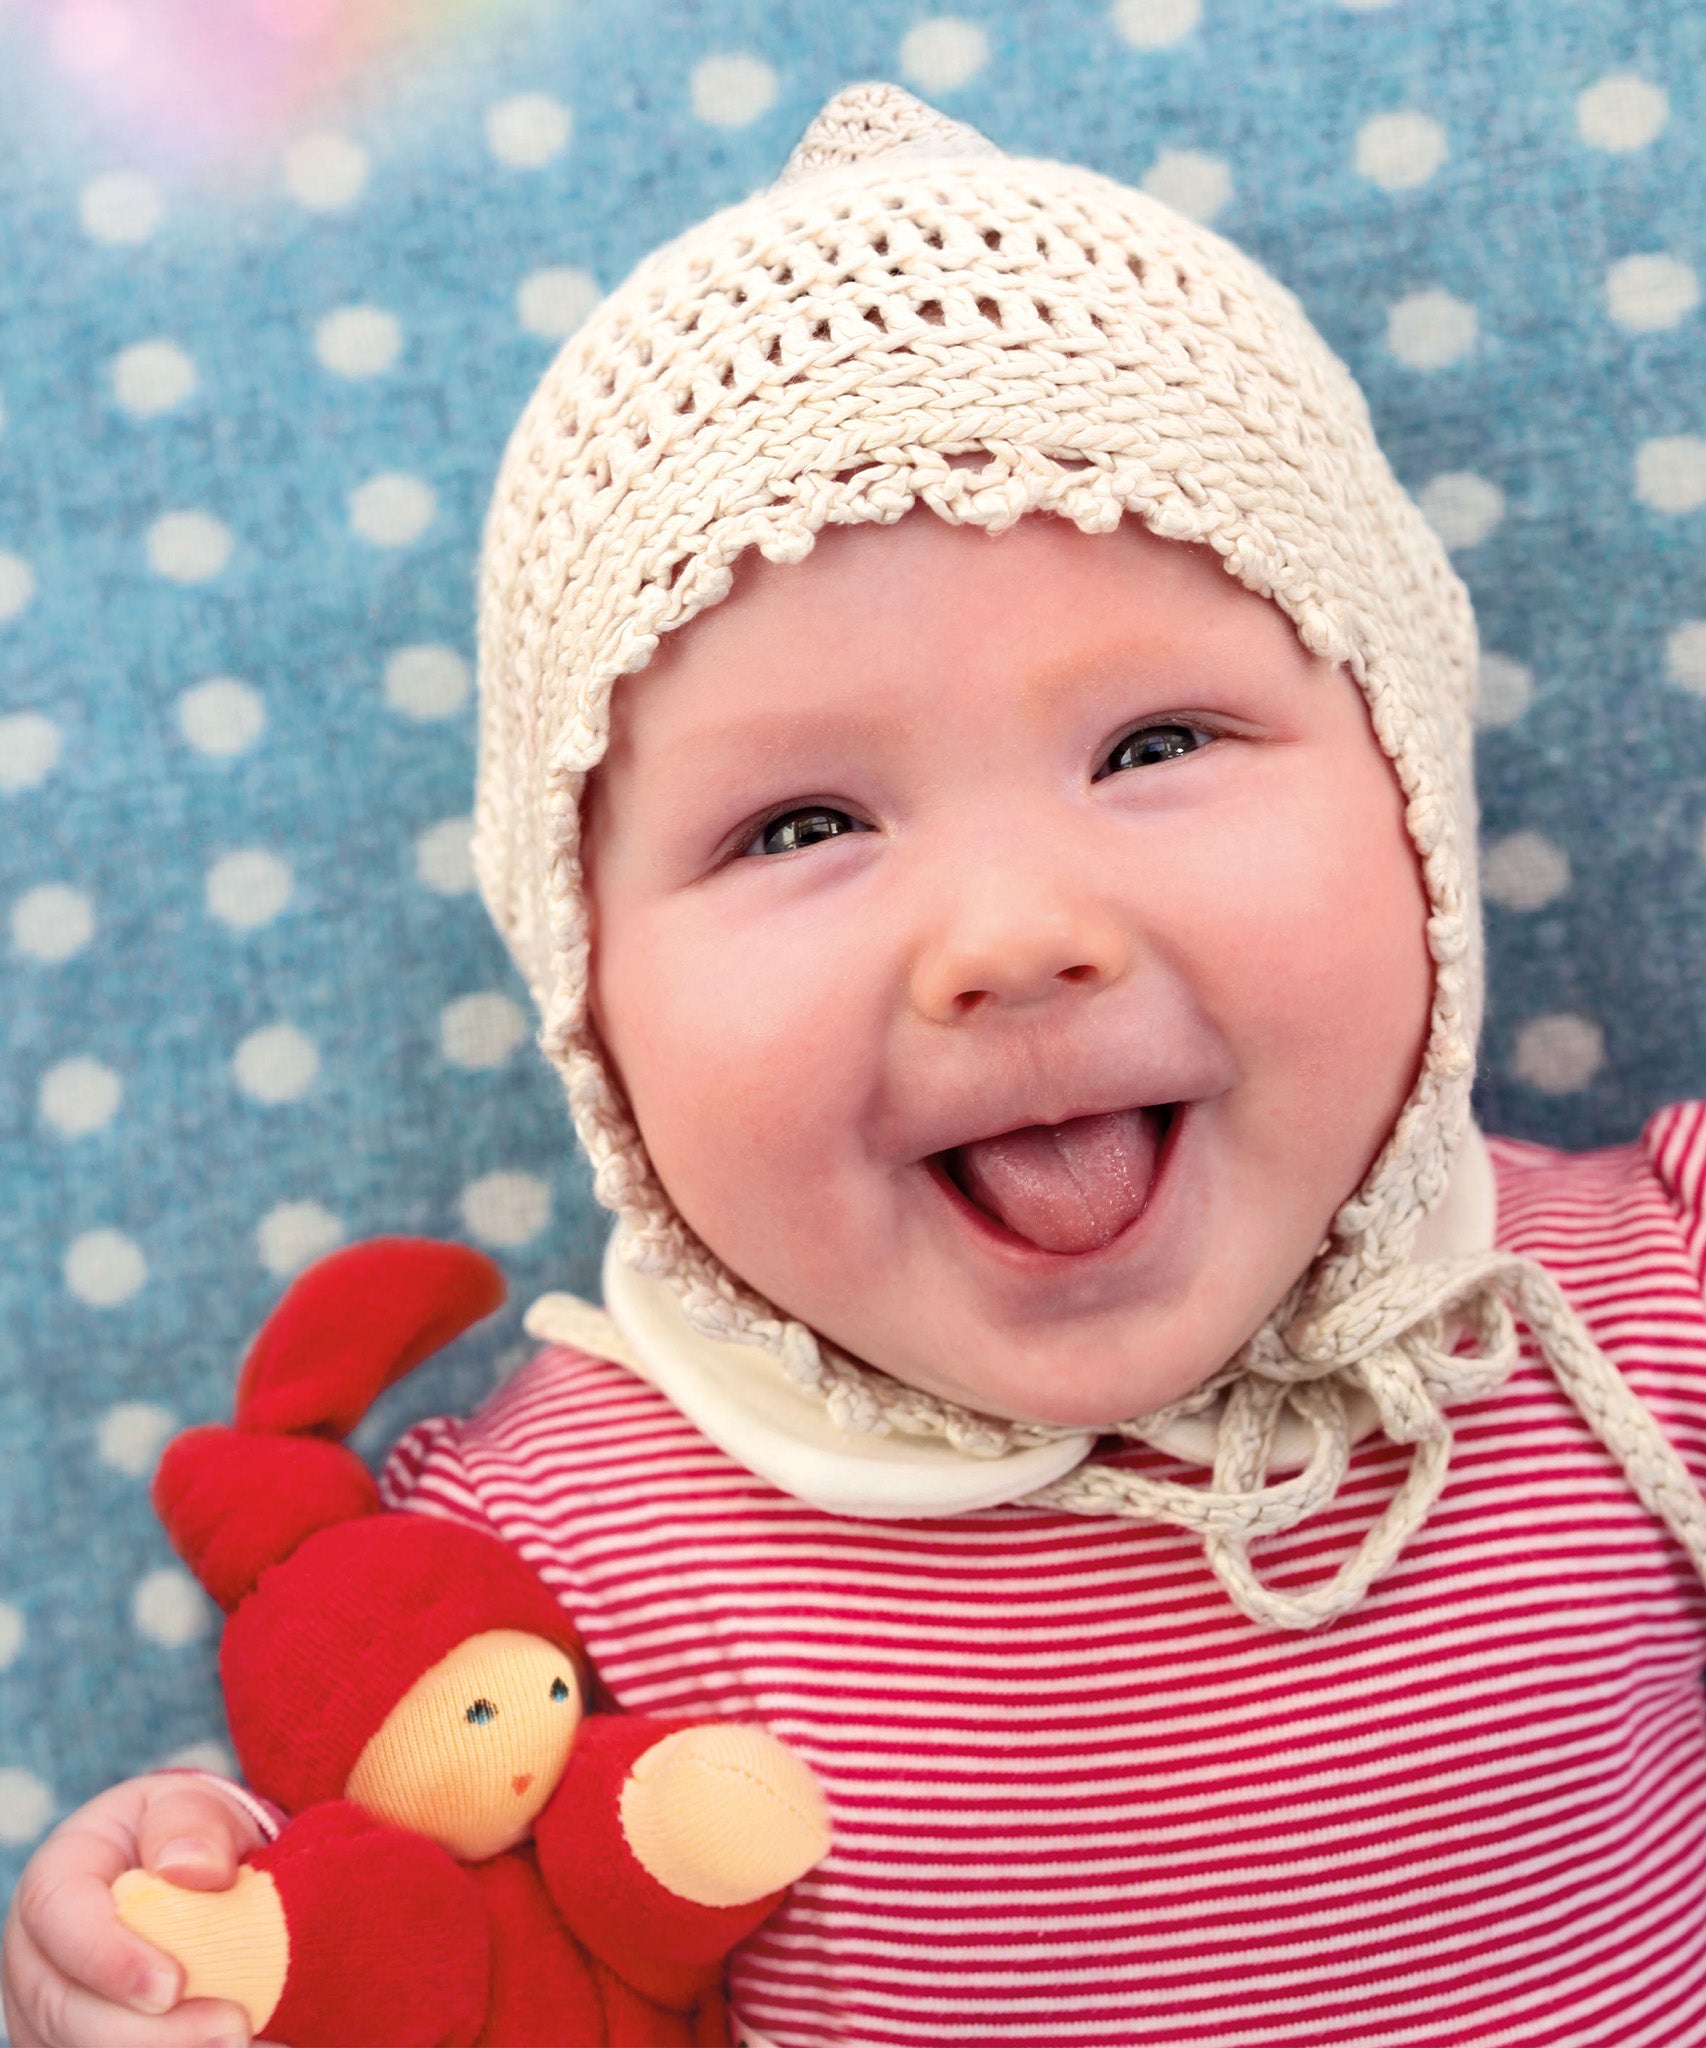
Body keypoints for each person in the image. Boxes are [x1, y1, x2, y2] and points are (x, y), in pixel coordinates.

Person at [7, 80, 1706, 2048]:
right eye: (800, 826)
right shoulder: (539, 1565)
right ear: (586, 1002)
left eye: (1155, 745)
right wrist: (193, 1961)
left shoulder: (1630, 1315)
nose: (1007, 937)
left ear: (1417, 803)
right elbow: (446, 1978)